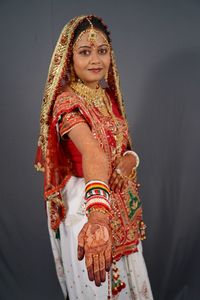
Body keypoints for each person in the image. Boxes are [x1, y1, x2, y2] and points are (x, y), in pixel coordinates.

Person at [35, 15, 153, 300]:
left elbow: (122, 147)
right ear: (69, 58)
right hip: (86, 207)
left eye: (102, 50)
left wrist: (130, 160)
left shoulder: (107, 96)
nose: (95, 60)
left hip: (120, 208)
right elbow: (93, 153)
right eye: (85, 52)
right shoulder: (67, 102)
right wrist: (98, 217)